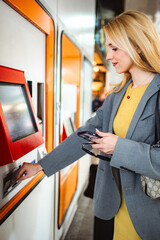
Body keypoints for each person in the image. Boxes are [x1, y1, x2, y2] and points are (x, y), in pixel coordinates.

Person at [16, 10, 160, 240]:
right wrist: (43, 166)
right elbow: (86, 133)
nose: (109, 56)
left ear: (138, 45)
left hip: (148, 213)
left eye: (115, 48)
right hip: (115, 206)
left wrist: (119, 147)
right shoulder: (118, 94)